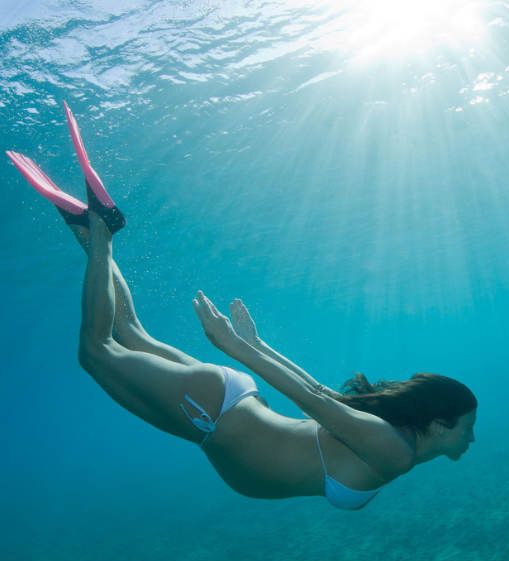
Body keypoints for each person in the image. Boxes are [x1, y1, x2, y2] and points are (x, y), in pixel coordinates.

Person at [7, 102, 476, 511]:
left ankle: (94, 234)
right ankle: (101, 236)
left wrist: (256, 346)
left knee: (130, 332)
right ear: (439, 423)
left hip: (227, 404)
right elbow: (310, 398)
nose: (471, 440)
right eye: (466, 430)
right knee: (96, 351)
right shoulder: (395, 452)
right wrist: (238, 347)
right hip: (213, 411)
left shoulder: (383, 433)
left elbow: (316, 391)